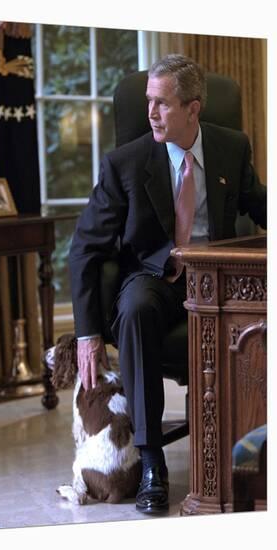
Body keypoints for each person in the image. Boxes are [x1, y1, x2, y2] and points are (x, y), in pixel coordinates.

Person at [69, 54, 266, 514]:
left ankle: (254, 443)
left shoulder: (232, 148)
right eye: (148, 102)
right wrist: (87, 332)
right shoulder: (126, 163)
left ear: (194, 109)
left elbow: (259, 204)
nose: (151, 114)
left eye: (162, 104)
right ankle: (152, 459)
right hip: (156, 277)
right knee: (136, 309)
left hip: (217, 281)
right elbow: (84, 248)